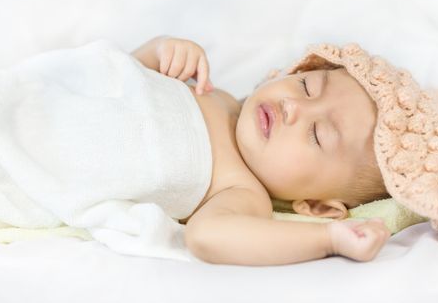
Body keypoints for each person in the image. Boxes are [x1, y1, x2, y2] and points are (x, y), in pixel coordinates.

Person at [131, 35, 391, 265]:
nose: (293, 107)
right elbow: (123, 74)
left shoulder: (241, 190)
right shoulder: (215, 93)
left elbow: (205, 237)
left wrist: (329, 239)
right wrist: (161, 51)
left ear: (317, 206)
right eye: (306, 86)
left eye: (317, 134)